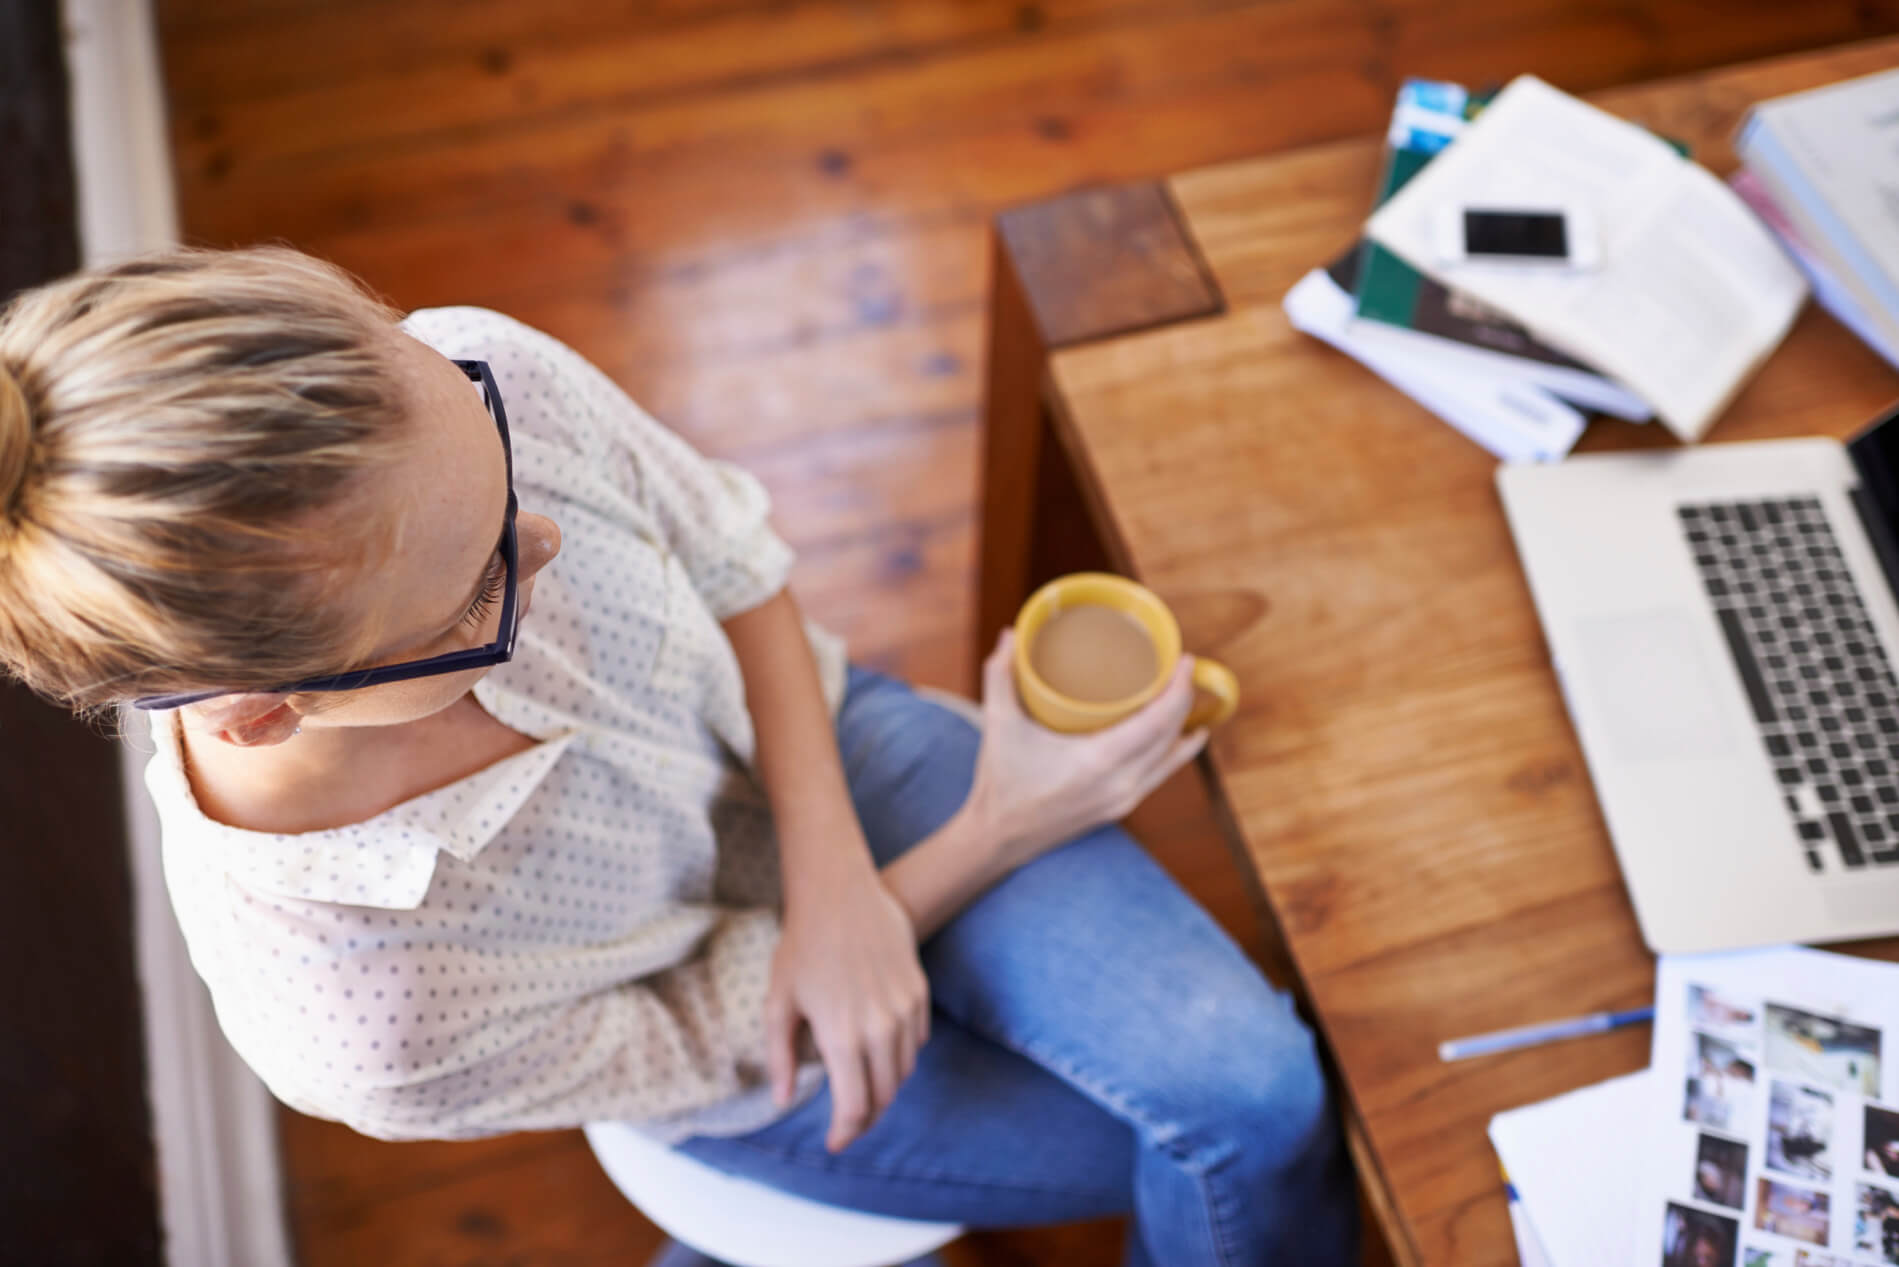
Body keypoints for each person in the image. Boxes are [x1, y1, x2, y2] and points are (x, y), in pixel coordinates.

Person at [0, 247, 1356, 1264]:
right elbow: (705, 1040)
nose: (545, 545)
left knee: (1256, 1100)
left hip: (826, 756)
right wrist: (995, 826)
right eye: (480, 592)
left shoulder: (490, 372)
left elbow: (735, 566)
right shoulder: (360, 1020)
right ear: (255, 712)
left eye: (497, 468)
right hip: (740, 1053)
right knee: (1219, 1144)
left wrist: (842, 881)